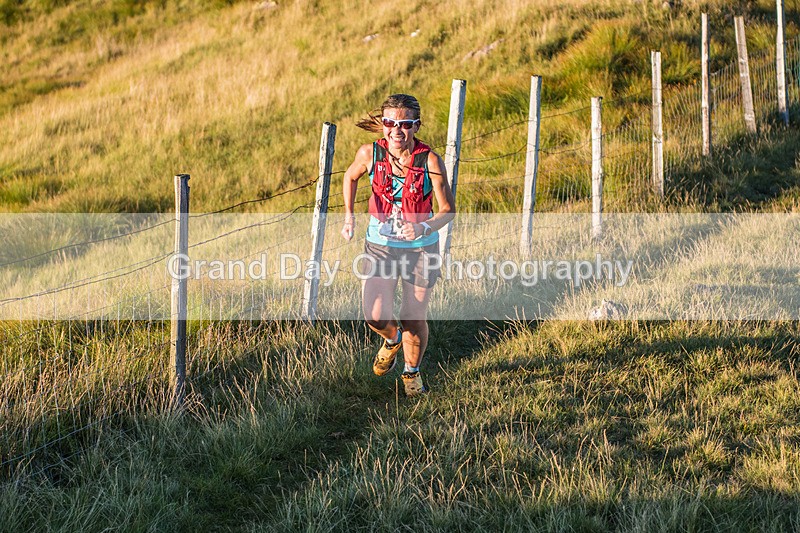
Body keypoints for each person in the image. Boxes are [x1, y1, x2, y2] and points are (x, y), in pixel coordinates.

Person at [340, 94, 455, 397]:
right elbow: (349, 178)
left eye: (405, 124)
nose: (396, 130)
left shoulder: (430, 161)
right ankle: (392, 340)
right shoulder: (369, 154)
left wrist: (422, 227)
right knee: (375, 315)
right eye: (390, 123)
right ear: (383, 124)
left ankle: (411, 374)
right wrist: (349, 216)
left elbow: (448, 209)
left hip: (421, 248)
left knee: (413, 315)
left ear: (416, 126)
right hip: (380, 245)